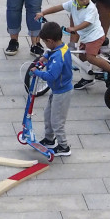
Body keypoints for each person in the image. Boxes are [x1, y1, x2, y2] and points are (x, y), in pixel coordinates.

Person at [36, 0, 110, 90]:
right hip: (86, 37)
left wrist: (74, 28)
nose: (85, 1)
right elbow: (58, 7)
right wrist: (43, 12)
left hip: (95, 36)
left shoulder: (91, 8)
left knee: (90, 57)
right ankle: (88, 78)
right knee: (82, 58)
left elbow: (86, 23)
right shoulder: (73, 4)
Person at [29, 21, 73, 156]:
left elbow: (52, 75)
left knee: (57, 121)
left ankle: (63, 147)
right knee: (48, 115)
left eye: (45, 42)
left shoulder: (59, 57)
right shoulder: (61, 48)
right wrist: (43, 58)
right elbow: (50, 52)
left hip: (62, 92)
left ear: (50, 41)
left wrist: (37, 71)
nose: (46, 45)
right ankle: (49, 139)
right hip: (57, 90)